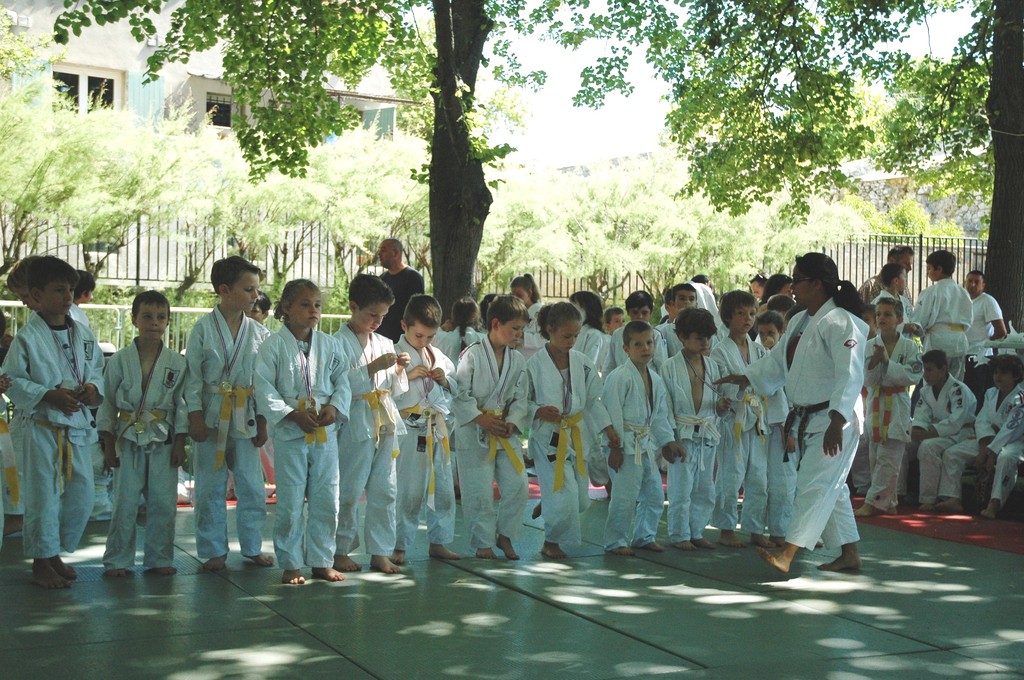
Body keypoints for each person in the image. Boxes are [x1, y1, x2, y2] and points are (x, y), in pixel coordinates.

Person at [718, 252, 867, 573]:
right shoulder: (800, 321)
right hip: (810, 417)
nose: (793, 287)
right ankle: (849, 553)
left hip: (835, 418)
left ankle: (788, 552)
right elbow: (777, 362)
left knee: (814, 484)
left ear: (817, 283)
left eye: (798, 280)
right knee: (832, 486)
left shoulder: (843, 322)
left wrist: (837, 420)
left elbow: (851, 374)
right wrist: (747, 377)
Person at [5, 256, 105, 588]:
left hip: (75, 426)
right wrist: (48, 395)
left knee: (82, 495)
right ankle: (41, 561)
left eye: (70, 290)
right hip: (41, 427)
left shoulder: (83, 333)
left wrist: (92, 389)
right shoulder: (27, 338)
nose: (67, 297)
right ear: (36, 295)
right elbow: (11, 379)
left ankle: (54, 551)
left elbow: (96, 370)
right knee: (43, 497)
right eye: (59, 290)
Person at [254, 279, 350, 585]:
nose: (313, 310)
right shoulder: (272, 346)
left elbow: (343, 381)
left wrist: (334, 407)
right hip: (291, 432)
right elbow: (263, 387)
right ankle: (291, 563)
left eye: (317, 305)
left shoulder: (330, 345)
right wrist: (292, 414)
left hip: (323, 430)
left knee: (327, 497)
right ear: (286, 307)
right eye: (305, 304)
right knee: (291, 499)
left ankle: (322, 560)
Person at [184, 255, 273, 572]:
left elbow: (264, 382)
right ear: (225, 290)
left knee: (252, 486)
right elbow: (192, 377)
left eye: (256, 289)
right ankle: (213, 551)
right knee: (210, 485)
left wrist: (263, 420)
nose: (255, 296)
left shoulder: (259, 333)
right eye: (249, 290)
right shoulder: (202, 330)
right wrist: (194, 415)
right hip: (211, 415)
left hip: (246, 415)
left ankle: (252, 546)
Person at [98, 291, 187, 577]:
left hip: (163, 438)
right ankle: (117, 560)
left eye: (161, 317)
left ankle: (160, 559)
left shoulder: (177, 362)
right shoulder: (119, 360)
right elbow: (107, 403)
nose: (154, 322)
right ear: (134, 319)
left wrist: (180, 443)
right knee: (125, 502)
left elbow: (182, 405)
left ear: (168, 321)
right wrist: (108, 443)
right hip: (126, 437)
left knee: (163, 502)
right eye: (147, 316)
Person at [332, 274, 410, 574]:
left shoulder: (385, 342)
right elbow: (336, 385)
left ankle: (380, 551)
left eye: (383, 316)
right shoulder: (336, 343)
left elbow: (395, 388)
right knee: (349, 489)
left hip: (386, 420)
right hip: (355, 422)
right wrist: (372, 367)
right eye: (372, 315)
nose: (378, 321)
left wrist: (398, 370)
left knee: (386, 489)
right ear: (353, 306)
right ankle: (340, 550)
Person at [525, 302, 614, 559]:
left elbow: (593, 400)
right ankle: (550, 542)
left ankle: (550, 503)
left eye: (575, 335)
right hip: (548, 437)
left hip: (576, 432)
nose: (572, 341)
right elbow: (521, 401)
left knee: (581, 500)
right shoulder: (534, 365)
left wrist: (607, 429)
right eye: (566, 336)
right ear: (550, 330)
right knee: (564, 493)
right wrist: (537, 411)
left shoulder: (582, 363)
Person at [452, 295, 530, 560]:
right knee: (479, 491)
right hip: (474, 430)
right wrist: (479, 418)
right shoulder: (471, 355)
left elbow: (520, 398)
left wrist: (513, 421)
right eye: (515, 328)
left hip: (503, 429)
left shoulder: (517, 360)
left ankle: (505, 534)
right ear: (496, 324)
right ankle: (483, 543)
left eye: (522, 329)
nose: (519, 335)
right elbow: (459, 394)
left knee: (519, 485)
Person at [392, 294, 462, 563]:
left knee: (443, 488)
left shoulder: (438, 355)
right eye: (419, 335)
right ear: (404, 326)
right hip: (411, 430)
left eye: (430, 336)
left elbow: (456, 387)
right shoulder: (396, 355)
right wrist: (406, 375)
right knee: (409, 490)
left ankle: (439, 541)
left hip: (438, 429)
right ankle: (399, 545)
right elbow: (385, 391)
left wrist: (445, 380)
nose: (424, 341)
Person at [602, 321, 680, 556]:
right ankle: (616, 541)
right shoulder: (619, 377)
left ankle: (644, 536)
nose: (645, 348)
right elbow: (610, 413)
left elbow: (660, 416)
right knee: (624, 497)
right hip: (624, 444)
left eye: (649, 343)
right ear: (626, 349)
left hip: (644, 444)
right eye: (638, 344)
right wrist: (614, 447)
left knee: (655, 493)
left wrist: (668, 441)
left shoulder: (655, 379)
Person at [661, 308, 729, 551]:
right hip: (683, 435)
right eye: (699, 338)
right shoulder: (669, 367)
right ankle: (679, 534)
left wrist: (721, 407)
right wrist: (668, 439)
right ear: (682, 336)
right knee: (681, 489)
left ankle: (696, 531)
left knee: (705, 489)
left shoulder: (712, 366)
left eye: (708, 337)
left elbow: (717, 404)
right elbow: (664, 407)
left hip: (707, 435)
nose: (705, 343)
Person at [710, 290, 770, 548]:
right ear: (727, 317)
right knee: (731, 476)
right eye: (741, 314)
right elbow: (720, 385)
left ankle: (755, 528)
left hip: (756, 420)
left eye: (752, 314)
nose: (747, 319)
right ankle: (726, 529)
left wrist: (752, 383)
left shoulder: (759, 350)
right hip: (733, 419)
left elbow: (767, 380)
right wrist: (739, 388)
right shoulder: (720, 351)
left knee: (759, 477)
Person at [855, 297, 922, 517]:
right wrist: (875, 363)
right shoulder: (869, 346)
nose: (881, 318)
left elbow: (913, 375)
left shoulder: (910, 346)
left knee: (888, 458)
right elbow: (866, 379)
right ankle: (890, 502)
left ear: (899, 319)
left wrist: (887, 363)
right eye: (878, 314)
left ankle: (872, 502)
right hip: (876, 403)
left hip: (897, 405)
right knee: (876, 458)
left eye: (887, 314)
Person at [2, 256, 39, 540]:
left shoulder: (65, 322)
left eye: (24, 296)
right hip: (30, 413)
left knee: (22, 473)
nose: (24, 303)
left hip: (40, 414)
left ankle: (18, 518)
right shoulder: (32, 328)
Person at [914, 350, 977, 513]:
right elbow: (921, 415)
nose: (926, 375)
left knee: (928, 446)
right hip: (937, 434)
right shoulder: (926, 391)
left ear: (943, 369)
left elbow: (956, 421)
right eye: (924, 370)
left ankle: (928, 499)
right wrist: (917, 428)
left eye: (930, 370)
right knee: (903, 442)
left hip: (961, 434)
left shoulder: (958, 389)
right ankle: (897, 491)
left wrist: (928, 433)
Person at [755, 311, 795, 545]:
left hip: (783, 426)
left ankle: (781, 531)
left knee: (784, 481)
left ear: (782, 332)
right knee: (760, 480)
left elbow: (790, 398)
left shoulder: (788, 356)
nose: (765, 337)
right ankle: (757, 530)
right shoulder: (757, 354)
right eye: (761, 333)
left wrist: (790, 431)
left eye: (770, 333)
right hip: (759, 426)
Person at [906, 250, 973, 381]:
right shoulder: (963, 292)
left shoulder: (931, 292)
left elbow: (920, 320)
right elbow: (969, 320)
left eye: (929, 268)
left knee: (934, 381)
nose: (927, 272)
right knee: (956, 382)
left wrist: (915, 329)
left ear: (939, 269)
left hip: (938, 342)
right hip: (959, 341)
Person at [977, 356, 1024, 519]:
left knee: (1006, 457)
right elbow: (982, 420)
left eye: (1003, 373)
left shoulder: (1020, 397)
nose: (998, 376)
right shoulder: (990, 393)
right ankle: (951, 497)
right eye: (996, 372)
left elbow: (1011, 429)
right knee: (954, 452)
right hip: (990, 439)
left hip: (1017, 441)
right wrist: (984, 445)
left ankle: (994, 503)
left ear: (1016, 375)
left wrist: (992, 452)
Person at [963, 270, 1008, 407]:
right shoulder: (963, 301)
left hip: (979, 357)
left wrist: (984, 343)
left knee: (976, 393)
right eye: (970, 281)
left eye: (977, 282)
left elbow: (1001, 331)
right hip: (962, 353)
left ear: (983, 285)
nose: (972, 285)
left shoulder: (987, 301)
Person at [605, 291, 668, 374]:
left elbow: (662, 367)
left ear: (651, 312)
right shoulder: (618, 334)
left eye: (644, 313)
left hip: (648, 379)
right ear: (628, 312)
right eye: (635, 312)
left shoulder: (656, 335)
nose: (640, 316)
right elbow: (610, 365)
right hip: (622, 379)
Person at [377, 238, 424, 343]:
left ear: (395, 253)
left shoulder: (413, 278)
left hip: (402, 340)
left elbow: (417, 311)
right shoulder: (381, 279)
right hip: (381, 339)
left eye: (383, 250)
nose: (379, 254)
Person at [433, 296, 484, 370]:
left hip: (448, 377)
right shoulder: (484, 339)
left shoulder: (440, 338)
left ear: (453, 316)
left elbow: (430, 338)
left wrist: (441, 328)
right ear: (476, 317)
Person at [655, 283, 698, 359]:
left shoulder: (704, 330)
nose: (687, 302)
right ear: (672, 304)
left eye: (691, 299)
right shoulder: (660, 332)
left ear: (696, 305)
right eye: (682, 299)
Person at [569, 290, 609, 371]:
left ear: (588, 310)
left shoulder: (594, 335)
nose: (570, 312)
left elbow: (589, 366)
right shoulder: (575, 332)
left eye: (575, 307)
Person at [511, 273, 544, 359]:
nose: (516, 299)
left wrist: (522, 335)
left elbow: (544, 339)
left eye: (519, 295)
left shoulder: (540, 311)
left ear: (529, 293)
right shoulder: (514, 312)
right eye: (513, 296)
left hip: (534, 358)